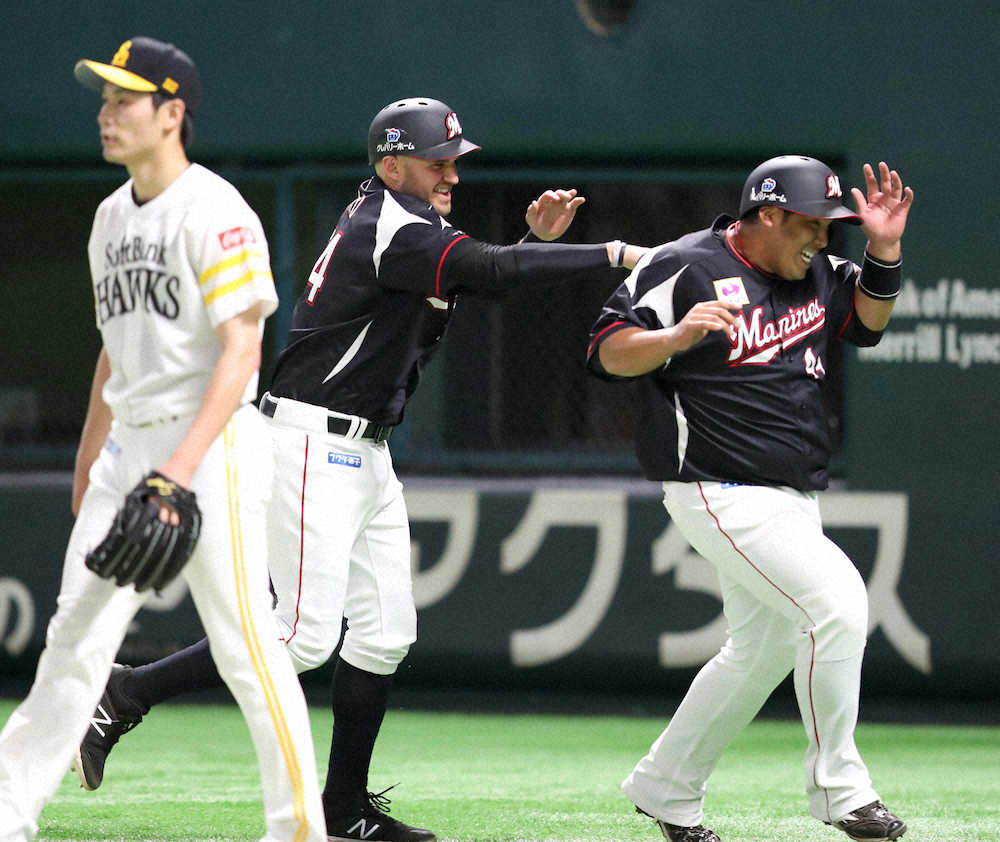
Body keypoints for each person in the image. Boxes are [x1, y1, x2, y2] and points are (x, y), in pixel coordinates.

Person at [71, 96, 647, 842]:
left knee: (384, 634)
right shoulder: (390, 224)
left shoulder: (406, 225)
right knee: (303, 636)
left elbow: (455, 293)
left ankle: (343, 813)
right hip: (313, 440)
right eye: (438, 162)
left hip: (362, 447)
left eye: (455, 162)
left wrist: (521, 243)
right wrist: (614, 255)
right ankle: (126, 692)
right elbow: (494, 273)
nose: (451, 175)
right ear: (391, 161)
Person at [0, 37, 328, 842]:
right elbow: (115, 347)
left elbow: (242, 350)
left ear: (172, 112)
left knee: (246, 641)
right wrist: (93, 462)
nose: (108, 114)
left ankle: (298, 831)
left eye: (125, 100)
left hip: (209, 448)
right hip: (130, 451)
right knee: (73, 638)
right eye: (105, 100)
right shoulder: (110, 217)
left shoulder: (215, 211)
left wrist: (176, 475)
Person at [586, 155, 913, 842]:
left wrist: (884, 249)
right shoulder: (685, 266)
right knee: (838, 603)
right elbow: (608, 350)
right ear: (768, 214)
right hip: (719, 486)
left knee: (760, 649)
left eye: (832, 227)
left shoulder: (816, 273)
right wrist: (675, 338)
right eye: (812, 225)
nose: (824, 239)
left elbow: (870, 321)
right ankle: (840, 790)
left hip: (791, 493)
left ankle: (666, 787)